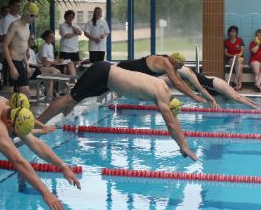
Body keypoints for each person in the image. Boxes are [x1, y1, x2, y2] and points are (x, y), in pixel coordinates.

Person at [37, 62, 197, 160]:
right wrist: (183, 145)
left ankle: (61, 113)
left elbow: (173, 118)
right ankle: (37, 123)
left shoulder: (161, 84)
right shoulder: (161, 95)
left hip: (107, 82)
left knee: (70, 103)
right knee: (68, 100)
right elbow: (171, 123)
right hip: (103, 74)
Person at [117, 53, 206, 104]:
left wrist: (194, 95)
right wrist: (193, 97)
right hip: (125, 67)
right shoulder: (167, 63)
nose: (180, 68)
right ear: (175, 61)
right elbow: (177, 85)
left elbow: (181, 82)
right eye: (180, 65)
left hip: (134, 71)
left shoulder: (172, 65)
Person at [170, 66, 259, 109]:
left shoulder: (184, 72)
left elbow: (202, 89)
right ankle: (254, 105)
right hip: (212, 86)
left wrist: (212, 100)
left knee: (236, 97)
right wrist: (211, 101)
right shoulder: (176, 78)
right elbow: (203, 92)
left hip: (214, 83)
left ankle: (254, 106)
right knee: (235, 97)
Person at [2, 2, 39, 96]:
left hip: (21, 63)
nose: (34, 18)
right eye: (32, 15)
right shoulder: (15, 25)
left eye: (35, 16)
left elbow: (23, 47)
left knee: (26, 95)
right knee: (8, 96)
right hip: (11, 62)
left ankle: (21, 111)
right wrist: (12, 67)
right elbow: (4, 46)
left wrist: (26, 65)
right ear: (25, 13)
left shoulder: (27, 26)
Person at [36, 31, 65, 99]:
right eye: (51, 37)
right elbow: (45, 61)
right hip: (42, 67)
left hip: (49, 66)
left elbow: (50, 59)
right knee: (54, 72)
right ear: (46, 38)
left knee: (58, 72)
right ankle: (50, 93)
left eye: (53, 36)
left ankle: (52, 90)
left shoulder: (51, 46)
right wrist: (55, 62)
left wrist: (58, 60)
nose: (53, 38)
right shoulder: (44, 46)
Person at [58, 10, 82, 76]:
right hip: (65, 50)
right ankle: (65, 82)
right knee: (65, 68)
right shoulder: (62, 25)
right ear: (65, 17)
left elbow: (80, 33)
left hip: (75, 49)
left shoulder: (75, 25)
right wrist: (75, 33)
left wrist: (72, 26)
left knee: (75, 66)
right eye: (69, 16)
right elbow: (67, 36)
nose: (71, 18)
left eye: (72, 17)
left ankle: (73, 81)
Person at [224, 26, 244, 91]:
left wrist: (238, 55)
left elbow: (242, 51)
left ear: (236, 33)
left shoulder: (240, 40)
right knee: (240, 66)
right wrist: (233, 56)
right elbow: (225, 53)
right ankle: (239, 84)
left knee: (238, 60)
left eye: (234, 32)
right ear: (229, 32)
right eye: (231, 32)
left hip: (240, 57)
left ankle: (236, 80)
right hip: (231, 58)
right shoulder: (226, 41)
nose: (232, 33)